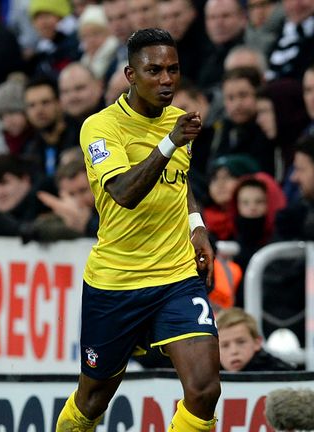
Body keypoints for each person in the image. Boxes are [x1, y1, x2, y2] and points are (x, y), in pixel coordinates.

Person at [56, 29, 220, 432]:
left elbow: (179, 182)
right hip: (117, 281)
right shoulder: (100, 128)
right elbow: (123, 193)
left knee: (204, 389)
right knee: (92, 400)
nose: (166, 80)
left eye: (173, 70)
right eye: (154, 70)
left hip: (176, 276)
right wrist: (167, 143)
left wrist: (196, 226)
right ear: (130, 74)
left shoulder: (178, 123)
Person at [216, 307, 296, 372]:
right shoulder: (207, 377)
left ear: (257, 343)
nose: (234, 351)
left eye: (241, 342)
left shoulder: (281, 374)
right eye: (225, 345)